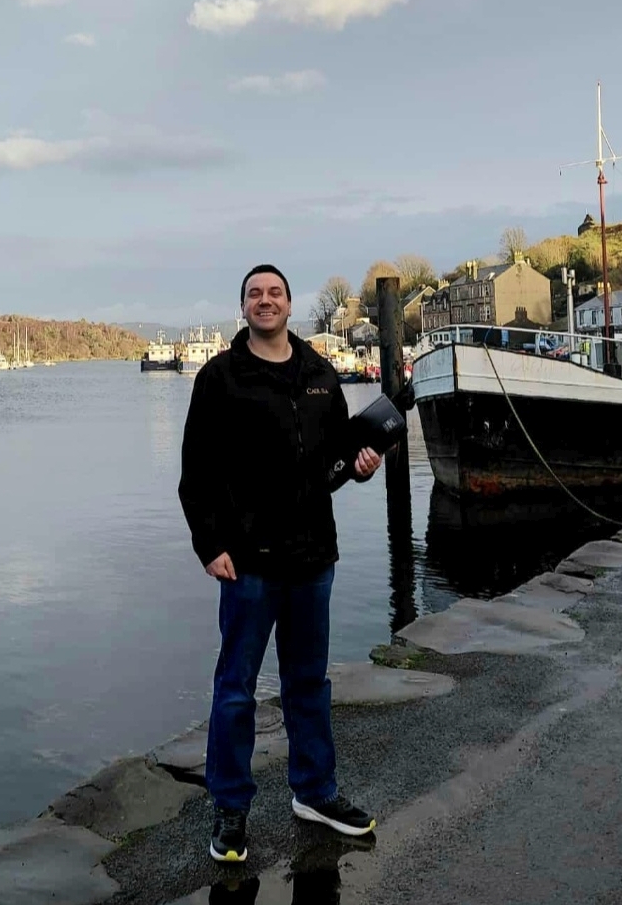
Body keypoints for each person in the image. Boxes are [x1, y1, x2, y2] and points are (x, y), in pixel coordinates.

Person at [179, 264, 383, 865]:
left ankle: (315, 792)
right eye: (254, 294)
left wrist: (360, 465)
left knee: (308, 684)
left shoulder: (320, 373)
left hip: (312, 557)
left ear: (290, 304)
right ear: (242, 307)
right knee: (237, 690)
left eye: (274, 292)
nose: (265, 301)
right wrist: (209, 545)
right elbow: (197, 475)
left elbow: (332, 463)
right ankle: (231, 807)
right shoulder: (220, 378)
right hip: (247, 563)